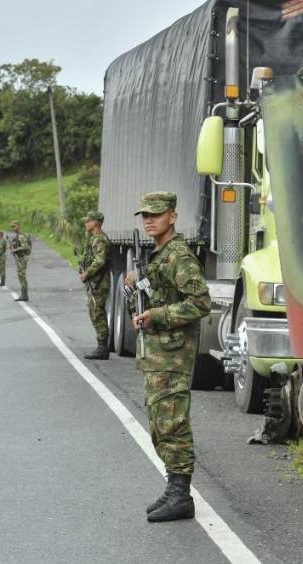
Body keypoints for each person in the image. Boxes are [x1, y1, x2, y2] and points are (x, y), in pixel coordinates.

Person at [124, 191, 211, 523]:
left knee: (172, 422)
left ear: (172, 217)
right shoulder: (159, 255)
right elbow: (156, 292)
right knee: (160, 424)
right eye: (145, 215)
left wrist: (157, 316)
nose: (149, 220)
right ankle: (173, 487)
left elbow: (200, 303)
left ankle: (181, 495)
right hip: (158, 355)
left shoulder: (178, 256)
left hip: (173, 356)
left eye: (156, 215)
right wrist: (138, 288)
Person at [80, 211, 111, 360]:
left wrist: (87, 273)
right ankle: (102, 346)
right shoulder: (94, 239)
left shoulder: (99, 239)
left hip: (99, 282)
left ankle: (102, 348)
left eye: (89, 220)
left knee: (97, 313)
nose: (86, 223)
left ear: (96, 222)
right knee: (95, 312)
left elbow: (100, 261)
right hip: (95, 282)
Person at [10, 220, 31, 302]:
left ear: (18, 226)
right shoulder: (18, 235)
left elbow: (25, 247)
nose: (13, 228)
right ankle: (24, 295)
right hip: (20, 257)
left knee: (22, 276)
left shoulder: (21, 236)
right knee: (20, 275)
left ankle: (24, 295)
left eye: (14, 226)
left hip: (23, 257)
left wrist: (15, 250)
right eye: (12, 227)